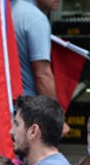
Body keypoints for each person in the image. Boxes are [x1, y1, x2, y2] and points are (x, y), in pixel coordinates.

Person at [10, 0, 70, 136]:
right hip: (28, 116)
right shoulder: (36, 19)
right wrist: (55, 120)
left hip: (9, 108)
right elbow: (42, 75)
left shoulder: (9, 10)